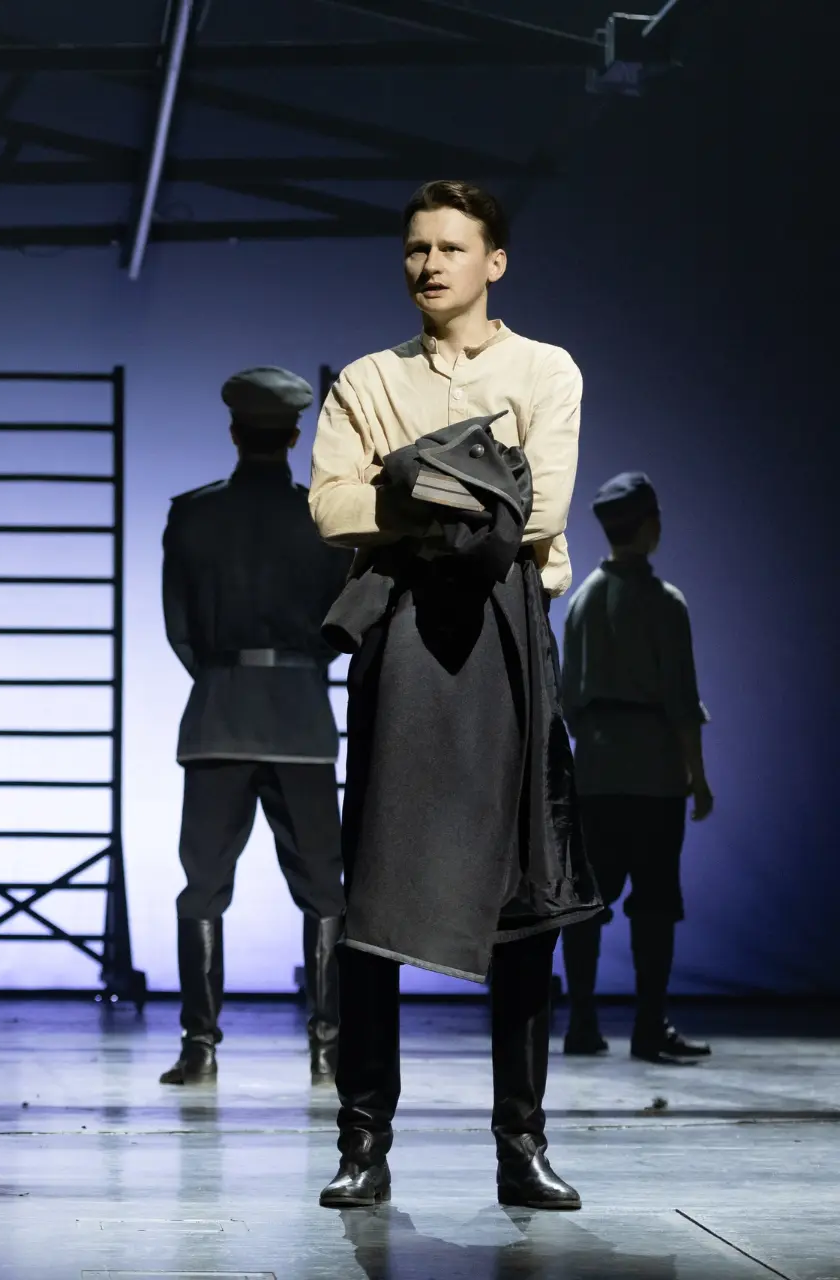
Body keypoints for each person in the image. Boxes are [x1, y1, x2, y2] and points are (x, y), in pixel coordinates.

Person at [309, 181, 601, 1211]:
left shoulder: (545, 368)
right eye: (415, 248)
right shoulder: (367, 376)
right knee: (378, 891)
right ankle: (363, 1141)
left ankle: (521, 1142)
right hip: (399, 634)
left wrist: (404, 480)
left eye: (449, 247)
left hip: (507, 627)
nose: (429, 264)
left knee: (524, 893)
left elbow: (540, 509)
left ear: (494, 262)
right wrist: (464, 483)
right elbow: (331, 506)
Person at [159, 366, 353, 1087]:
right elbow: (343, 624)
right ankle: (328, 1050)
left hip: (219, 715)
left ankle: (200, 1048)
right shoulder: (323, 519)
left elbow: (180, 628)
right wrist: (297, 671)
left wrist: (225, 676)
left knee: (203, 887)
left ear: (235, 431)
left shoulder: (193, 515)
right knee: (324, 889)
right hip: (300, 719)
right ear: (296, 436)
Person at [560, 472, 714, 1064]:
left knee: (588, 903)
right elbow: (682, 700)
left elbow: (569, 699)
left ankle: (582, 1024)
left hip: (596, 771)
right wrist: (697, 776)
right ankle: (650, 1026)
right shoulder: (665, 603)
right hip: (653, 774)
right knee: (654, 905)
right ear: (649, 525)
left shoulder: (583, 600)